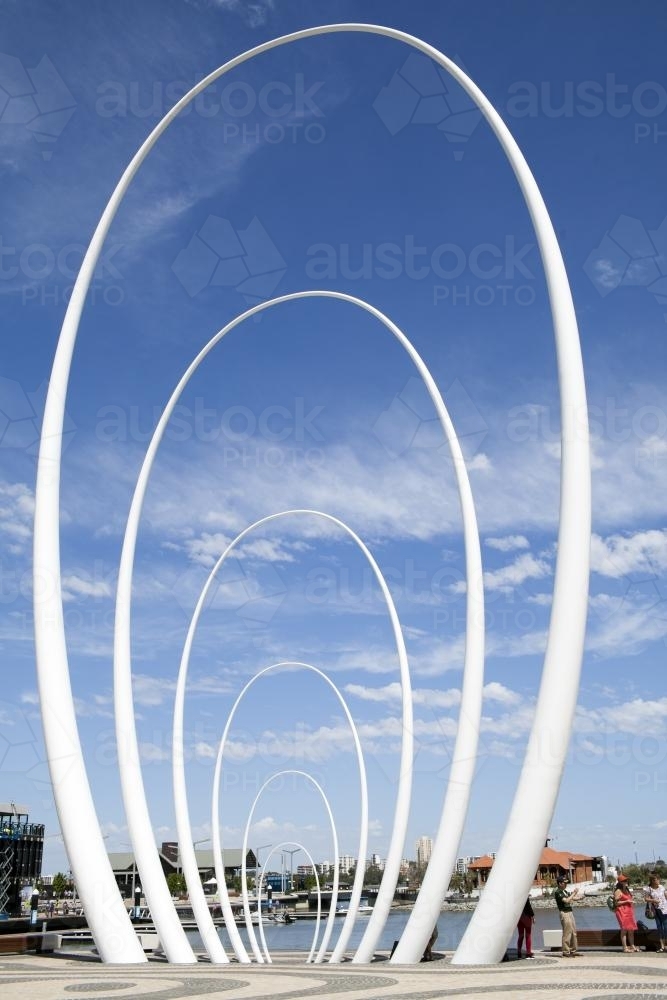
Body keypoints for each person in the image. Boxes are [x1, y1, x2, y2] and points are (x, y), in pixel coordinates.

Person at [554, 875, 583, 957]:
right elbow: (566, 901)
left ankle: (574, 950)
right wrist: (574, 893)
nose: (566, 884)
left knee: (574, 932)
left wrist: (580, 897)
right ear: (560, 883)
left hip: (570, 912)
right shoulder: (558, 892)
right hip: (564, 913)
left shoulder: (565, 892)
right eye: (564, 883)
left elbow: (573, 898)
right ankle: (566, 951)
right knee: (567, 932)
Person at [614, 874, 638, 952]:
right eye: (624, 881)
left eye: (627, 880)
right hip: (621, 911)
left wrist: (630, 901)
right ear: (620, 882)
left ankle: (632, 946)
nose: (626, 881)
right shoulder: (618, 891)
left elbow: (629, 899)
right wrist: (626, 901)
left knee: (631, 929)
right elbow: (616, 903)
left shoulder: (627, 889)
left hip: (629, 911)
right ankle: (625, 948)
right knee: (624, 929)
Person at [644, 872, 667, 952]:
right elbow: (646, 899)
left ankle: (666, 945)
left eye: (658, 879)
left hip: (665, 909)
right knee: (659, 927)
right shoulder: (649, 889)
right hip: (656, 910)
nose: (658, 881)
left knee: (666, 927)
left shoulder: (661, 887)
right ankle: (662, 946)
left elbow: (665, 895)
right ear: (653, 881)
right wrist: (653, 900)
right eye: (657, 879)